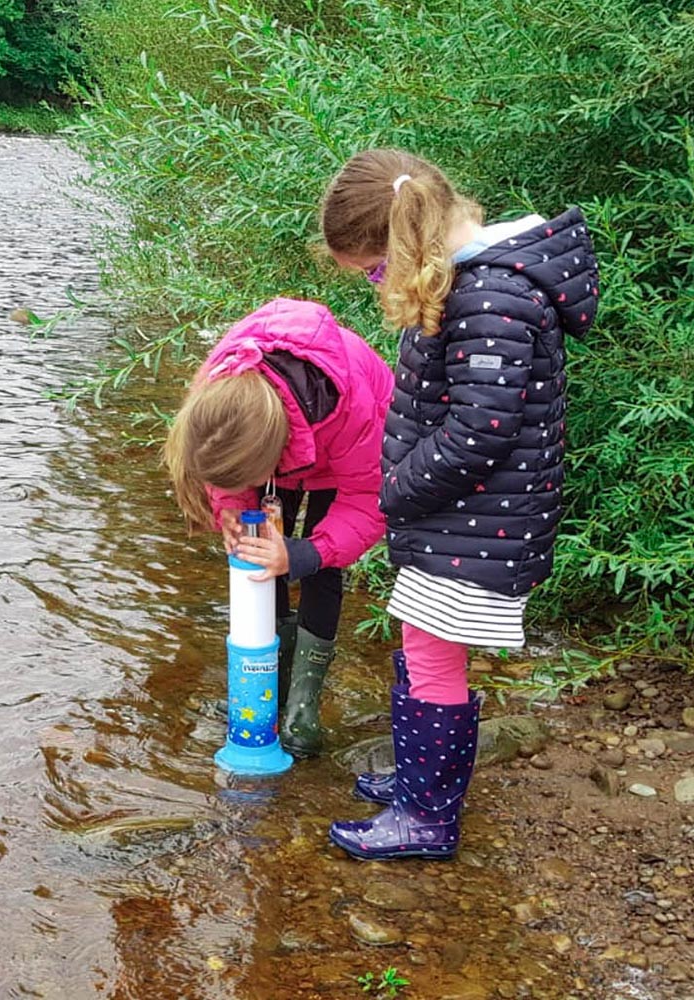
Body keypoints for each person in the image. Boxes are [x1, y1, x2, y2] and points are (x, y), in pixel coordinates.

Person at [319, 148, 598, 860]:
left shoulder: (489, 297)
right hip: (463, 518)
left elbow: (481, 431)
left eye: (376, 270)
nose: (378, 284)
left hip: (479, 523)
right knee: (421, 649)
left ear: (407, 242)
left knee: (432, 656)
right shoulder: (475, 283)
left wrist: (396, 491)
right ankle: (419, 781)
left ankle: (427, 817)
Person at [163, 296, 394, 757]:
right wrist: (230, 505)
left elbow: (368, 501)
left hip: (348, 451)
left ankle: (302, 702)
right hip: (271, 445)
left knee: (320, 566)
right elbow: (216, 458)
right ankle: (272, 677)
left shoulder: (350, 406)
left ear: (273, 457)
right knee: (259, 555)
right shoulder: (222, 385)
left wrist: (305, 554)